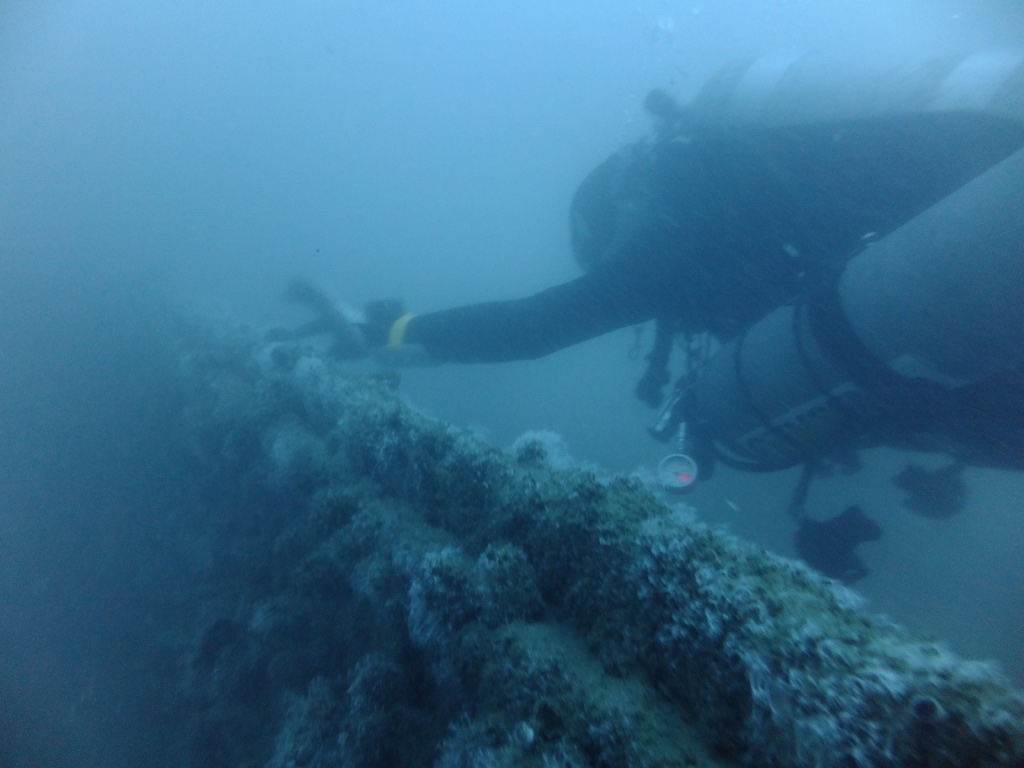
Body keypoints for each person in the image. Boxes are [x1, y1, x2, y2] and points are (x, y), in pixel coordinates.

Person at [270, 52, 1024, 581]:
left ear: (616, 207)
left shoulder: (682, 213)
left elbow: (541, 324)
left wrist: (394, 338)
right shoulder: (772, 186)